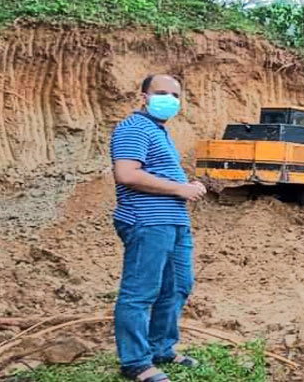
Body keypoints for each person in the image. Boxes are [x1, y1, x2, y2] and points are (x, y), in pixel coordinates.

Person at [110, 74, 207, 382]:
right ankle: (135, 363)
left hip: (173, 221)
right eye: (162, 93)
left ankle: (161, 348)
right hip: (147, 221)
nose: (170, 100)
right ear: (143, 97)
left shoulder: (157, 130)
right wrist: (180, 189)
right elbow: (126, 174)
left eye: (175, 95)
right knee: (140, 292)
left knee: (177, 285)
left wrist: (186, 186)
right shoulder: (133, 128)